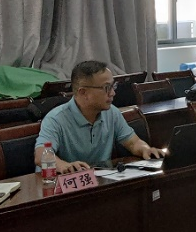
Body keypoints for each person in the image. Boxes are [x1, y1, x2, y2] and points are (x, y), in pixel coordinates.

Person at [35, 61, 166, 173]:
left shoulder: (112, 113)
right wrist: (64, 166)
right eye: (106, 88)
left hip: (98, 182)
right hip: (61, 189)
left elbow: (133, 142)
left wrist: (146, 150)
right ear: (83, 92)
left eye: (113, 86)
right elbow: (41, 154)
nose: (113, 93)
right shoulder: (56, 119)